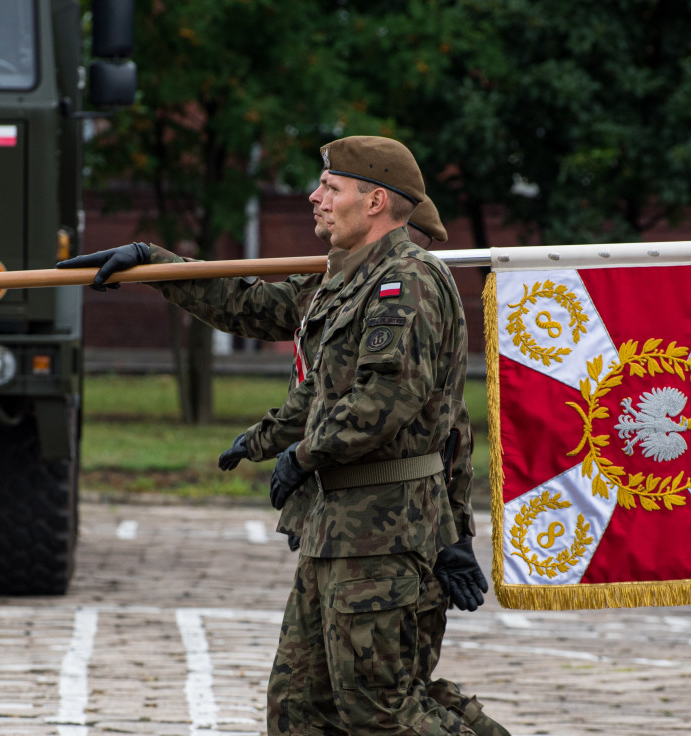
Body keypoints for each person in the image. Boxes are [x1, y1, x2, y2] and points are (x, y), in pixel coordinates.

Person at [59, 136, 501, 735]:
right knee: (299, 712)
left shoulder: (408, 282)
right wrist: (152, 263)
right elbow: (250, 308)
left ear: (374, 202)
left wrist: (303, 454)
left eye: (331, 187)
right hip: (332, 530)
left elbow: (390, 400)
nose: (314, 197)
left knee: (382, 715)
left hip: (384, 535)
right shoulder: (340, 279)